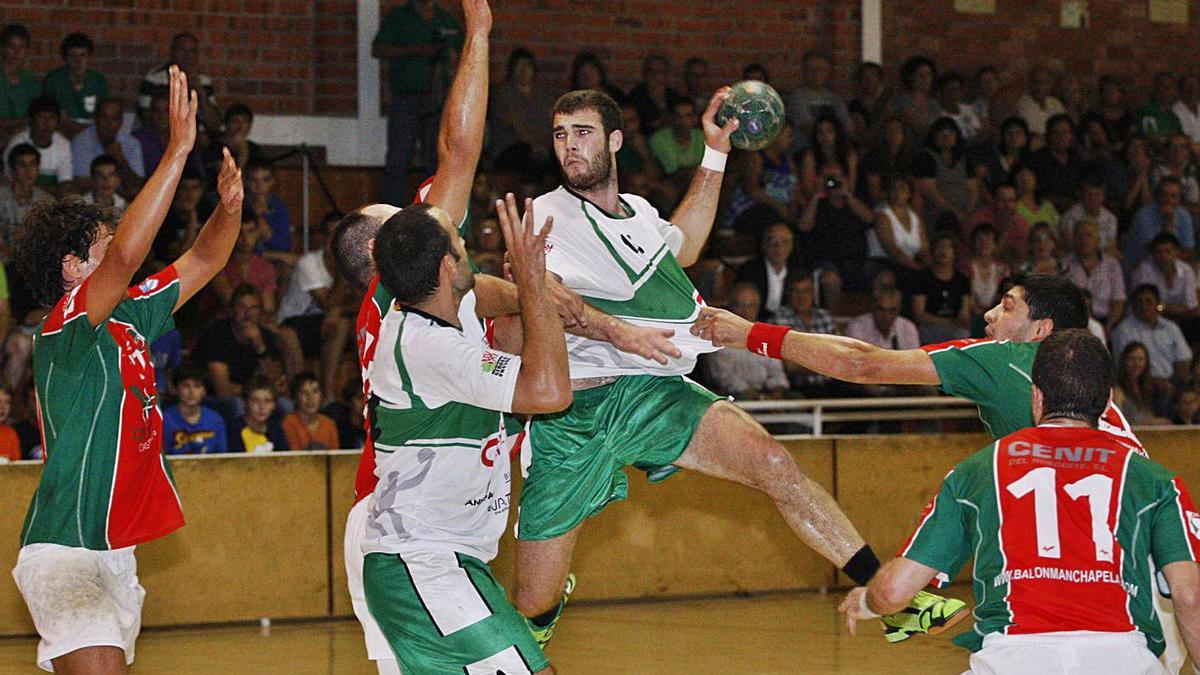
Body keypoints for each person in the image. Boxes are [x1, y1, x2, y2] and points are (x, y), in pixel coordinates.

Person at [518, 85, 966, 647]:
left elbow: (682, 246)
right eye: (560, 135)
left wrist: (715, 153)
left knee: (774, 462)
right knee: (534, 601)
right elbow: (544, 295)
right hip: (576, 413)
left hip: (653, 392)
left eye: (581, 133)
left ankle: (890, 596)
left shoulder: (637, 213)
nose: (569, 146)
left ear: (613, 140)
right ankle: (533, 628)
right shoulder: (545, 214)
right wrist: (616, 330)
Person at [10, 67, 243, 673]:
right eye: (102, 244)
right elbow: (129, 253)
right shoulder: (62, 328)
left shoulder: (133, 314)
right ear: (70, 267)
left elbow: (208, 258)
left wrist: (229, 207)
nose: (117, 249)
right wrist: (176, 151)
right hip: (65, 547)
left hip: (118, 553)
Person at [839, 329, 1200, 675]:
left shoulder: (978, 471)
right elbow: (1190, 596)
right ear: (1107, 401)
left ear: (1037, 397)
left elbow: (894, 591)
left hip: (1013, 658)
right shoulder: (1156, 481)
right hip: (1124, 658)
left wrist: (869, 602)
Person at [692, 272, 1144, 448]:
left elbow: (862, 364)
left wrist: (749, 333)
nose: (988, 313)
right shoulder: (1085, 373)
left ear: (1041, 330)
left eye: (1007, 306)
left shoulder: (1000, 359)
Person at [373, 0, 463, 204]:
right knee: (398, 160)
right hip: (406, 97)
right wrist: (417, 50)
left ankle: (431, 212)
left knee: (436, 162)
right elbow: (379, 49)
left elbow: (460, 55)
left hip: (439, 99)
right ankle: (390, 213)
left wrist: (448, 57)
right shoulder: (399, 17)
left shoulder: (446, 20)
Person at [704, 283, 789, 399]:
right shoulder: (718, 335)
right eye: (740, 305)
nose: (745, 311)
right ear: (731, 306)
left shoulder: (766, 336)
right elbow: (725, 378)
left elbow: (777, 374)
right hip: (733, 396)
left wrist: (777, 393)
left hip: (766, 395)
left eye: (751, 305)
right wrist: (760, 398)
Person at [137, 32, 220, 139]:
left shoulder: (204, 82)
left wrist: (200, 92)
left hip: (197, 141)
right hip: (158, 139)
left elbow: (215, 124)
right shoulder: (154, 79)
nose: (187, 56)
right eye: (182, 50)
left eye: (192, 51)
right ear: (172, 52)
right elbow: (147, 119)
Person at [41, 33, 108, 138]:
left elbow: (104, 117)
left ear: (89, 57)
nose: (78, 61)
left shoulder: (98, 81)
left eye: (82, 55)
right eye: (73, 56)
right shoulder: (53, 81)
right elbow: (54, 120)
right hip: (61, 136)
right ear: (65, 58)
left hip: (92, 137)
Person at [71, 98, 145, 192]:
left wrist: (120, 160)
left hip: (123, 202)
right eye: (104, 118)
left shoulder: (132, 143)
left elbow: (137, 185)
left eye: (114, 119)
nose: (108, 124)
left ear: (121, 122)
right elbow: (81, 184)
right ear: (96, 119)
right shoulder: (81, 141)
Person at [786, 50, 851, 154]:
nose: (816, 73)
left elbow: (847, 127)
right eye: (812, 69)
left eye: (821, 69)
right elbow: (809, 128)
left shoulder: (834, 98)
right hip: (805, 152)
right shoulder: (796, 98)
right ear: (804, 71)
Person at [3, 96, 73, 189]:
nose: (47, 123)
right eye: (41, 117)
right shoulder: (17, 142)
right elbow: (10, 181)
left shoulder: (63, 145)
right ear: (32, 121)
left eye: (52, 118)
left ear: (58, 122)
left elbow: (65, 184)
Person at [162, 362, 228, 455]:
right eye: (186, 386)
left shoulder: (216, 420)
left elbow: (222, 458)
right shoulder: (163, 420)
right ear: (176, 389)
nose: (191, 391)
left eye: (197, 386)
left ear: (204, 391)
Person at [226, 375, 288, 453]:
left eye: (267, 401)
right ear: (245, 403)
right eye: (255, 401)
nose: (262, 407)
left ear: (274, 405)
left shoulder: (276, 431)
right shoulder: (234, 429)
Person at [0, 24, 38, 145]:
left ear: (27, 51)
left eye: (21, 47)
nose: (16, 52)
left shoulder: (31, 81)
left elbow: (36, 115)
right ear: (2, 48)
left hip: (24, 135)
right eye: (11, 47)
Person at [280, 372, 338, 450]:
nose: (310, 398)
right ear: (295, 397)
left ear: (321, 396)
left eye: (315, 392)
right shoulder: (289, 423)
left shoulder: (329, 424)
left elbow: (335, 458)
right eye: (304, 393)